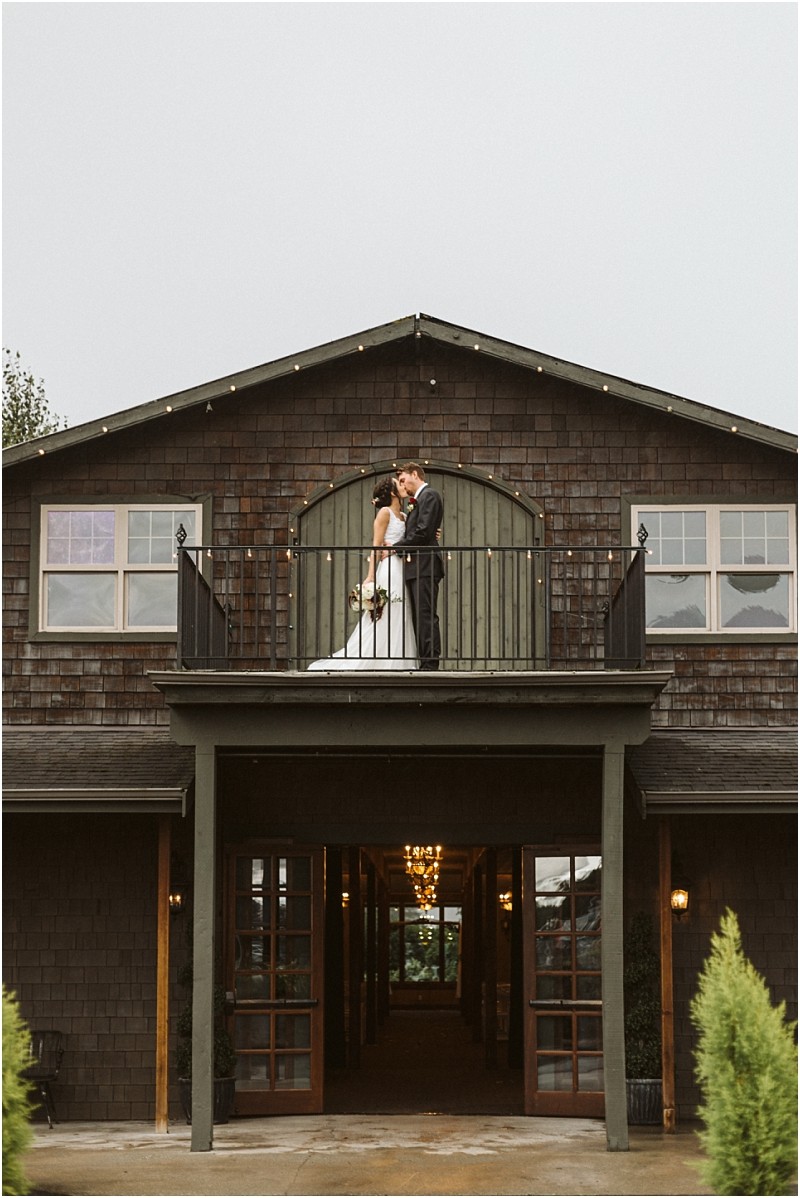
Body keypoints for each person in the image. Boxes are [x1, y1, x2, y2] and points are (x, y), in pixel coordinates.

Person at [307, 475, 418, 670]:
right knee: (385, 614)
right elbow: (375, 545)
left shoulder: (405, 516)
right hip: (390, 568)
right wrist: (371, 576)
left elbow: (411, 539)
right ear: (392, 492)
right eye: (398, 483)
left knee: (402, 613)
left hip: (403, 569)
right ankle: (377, 660)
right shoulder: (385, 513)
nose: (403, 486)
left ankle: (398, 661)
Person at [393, 462, 444, 670]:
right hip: (416, 565)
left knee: (425, 615)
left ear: (415, 474)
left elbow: (423, 532)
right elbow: (424, 530)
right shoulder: (417, 500)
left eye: (404, 480)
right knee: (419, 616)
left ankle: (430, 663)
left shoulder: (429, 495)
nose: (403, 485)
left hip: (425, 564)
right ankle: (424, 659)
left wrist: (396, 548)